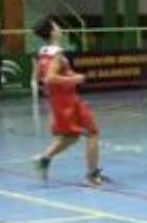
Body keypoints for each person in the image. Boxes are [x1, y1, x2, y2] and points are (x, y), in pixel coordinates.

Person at [32, 17, 107, 186]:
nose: (60, 27)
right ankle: (92, 175)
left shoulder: (43, 52)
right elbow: (50, 78)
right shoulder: (56, 54)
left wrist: (73, 75)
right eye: (56, 25)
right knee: (92, 132)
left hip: (59, 99)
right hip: (67, 100)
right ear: (52, 31)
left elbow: (39, 77)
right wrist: (73, 80)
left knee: (71, 136)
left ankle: (44, 159)